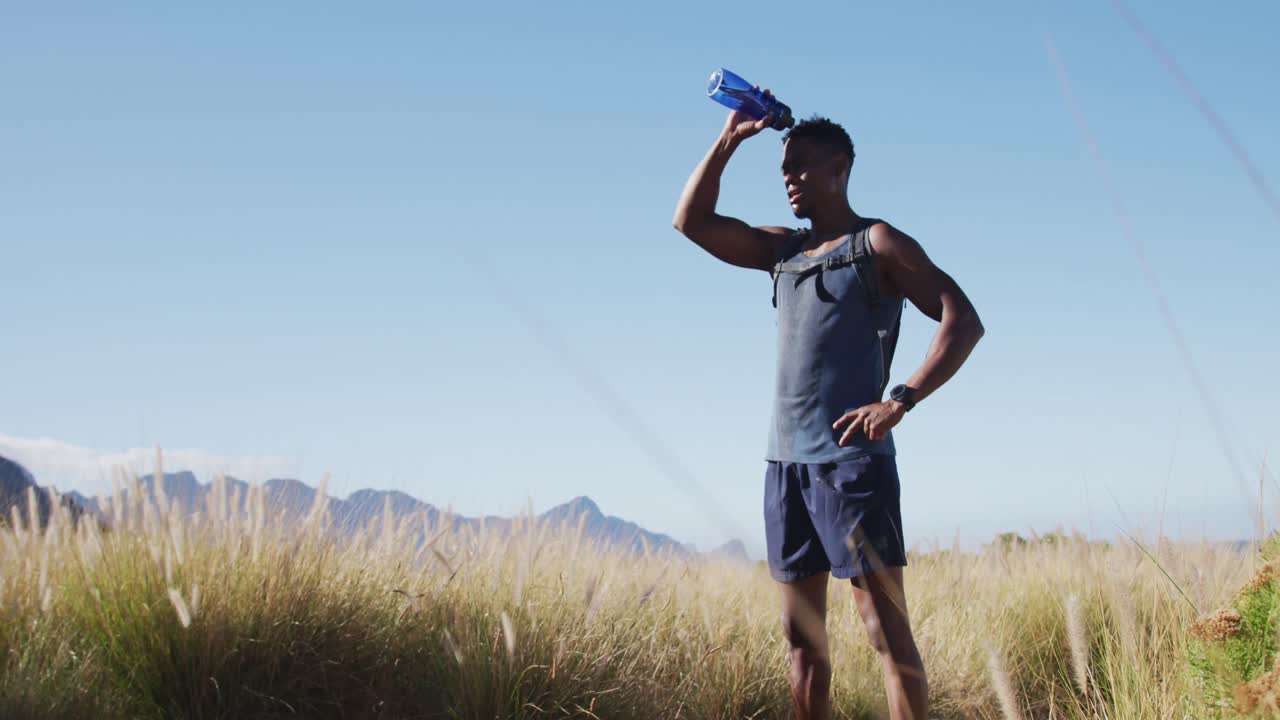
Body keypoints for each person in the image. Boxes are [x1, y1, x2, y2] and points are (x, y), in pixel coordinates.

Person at [671, 88, 985, 720]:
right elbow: (691, 222)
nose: (789, 178)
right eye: (784, 168)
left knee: (884, 633)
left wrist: (901, 400)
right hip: (785, 466)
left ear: (839, 169)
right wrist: (729, 139)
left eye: (802, 167)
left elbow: (963, 320)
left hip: (851, 465)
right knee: (802, 643)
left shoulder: (877, 244)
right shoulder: (783, 251)